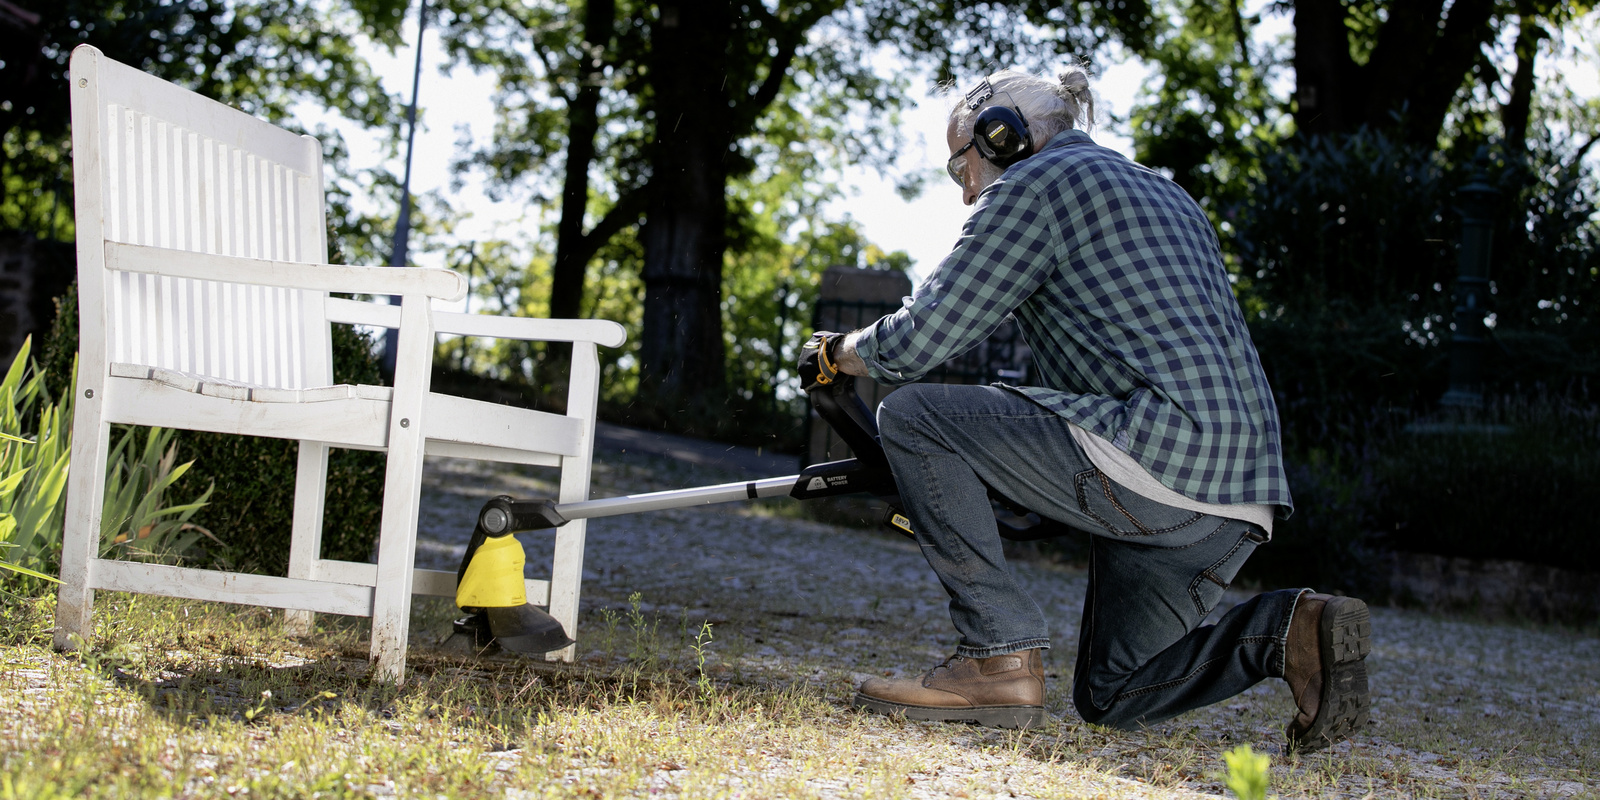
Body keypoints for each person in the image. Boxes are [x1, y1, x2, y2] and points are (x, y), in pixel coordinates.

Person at [798, 67, 1372, 752]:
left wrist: (837, 352)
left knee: (915, 415)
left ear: (1001, 135)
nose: (967, 193)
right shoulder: (1165, 192)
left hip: (1159, 455)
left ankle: (996, 657)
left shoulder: (1035, 186)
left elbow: (921, 341)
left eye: (962, 169)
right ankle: (1288, 631)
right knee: (1116, 691)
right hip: (1239, 493)